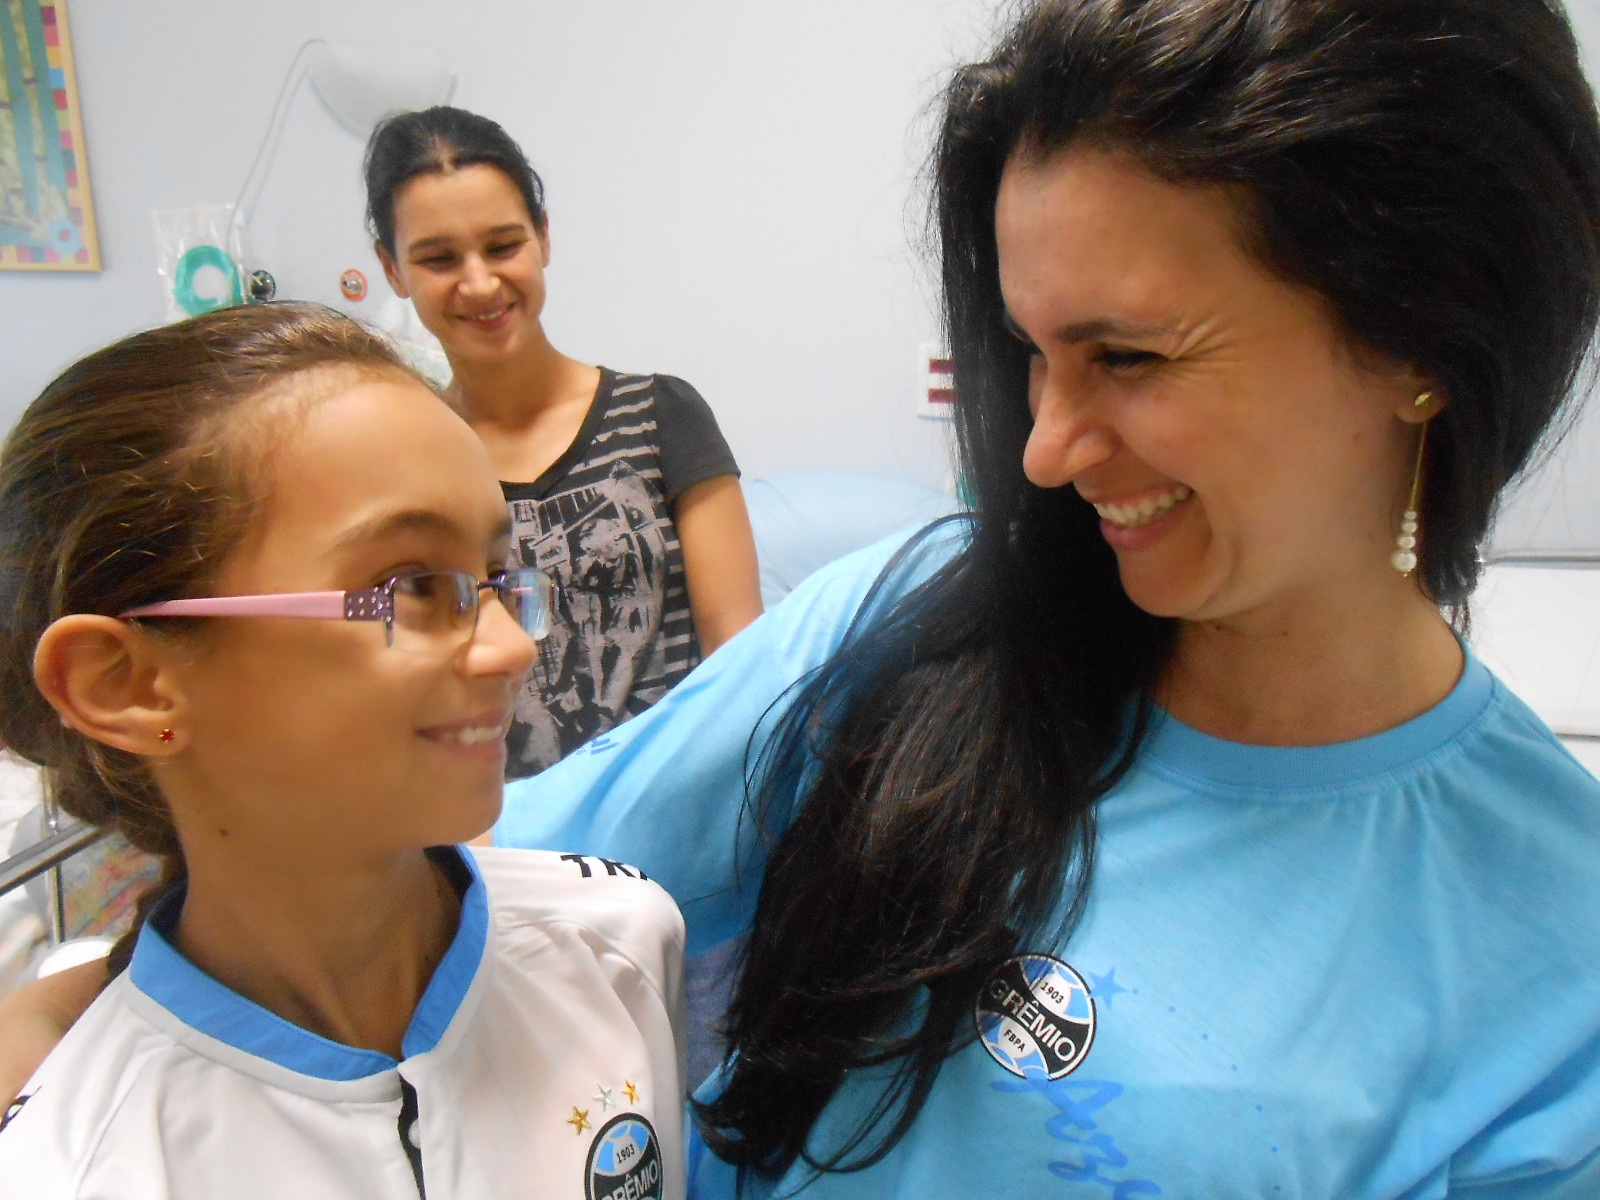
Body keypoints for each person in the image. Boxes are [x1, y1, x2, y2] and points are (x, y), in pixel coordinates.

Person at [6, 0, 1600, 1195]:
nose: (1042, 450)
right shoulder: (924, 619)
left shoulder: (1551, 965)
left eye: (1128, 357)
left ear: (1420, 346)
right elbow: (467, 874)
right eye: (1030, 358)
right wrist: (96, 1000)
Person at [0, 303, 686, 1199]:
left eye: (495, 578)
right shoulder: (76, 1163)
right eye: (412, 587)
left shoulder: (615, 949)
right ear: (127, 684)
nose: (515, 649)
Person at [365, 106, 762, 778]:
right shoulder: (401, 463)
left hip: (673, 804)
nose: (481, 282)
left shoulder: (662, 415)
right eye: (437, 258)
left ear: (544, 238)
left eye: (503, 245)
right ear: (393, 270)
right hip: (497, 832)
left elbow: (743, 661)